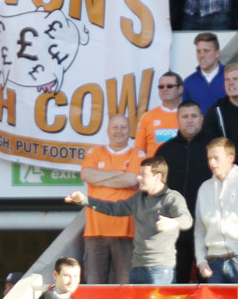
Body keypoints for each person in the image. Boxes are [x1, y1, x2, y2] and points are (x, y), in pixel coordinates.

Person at [66, 157, 194, 285]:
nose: (138, 178)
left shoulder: (171, 198)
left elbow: (186, 219)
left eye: (143, 174)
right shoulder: (138, 198)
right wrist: (84, 200)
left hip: (160, 269)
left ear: (158, 177)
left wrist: (174, 222)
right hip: (137, 267)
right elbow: (114, 208)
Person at [156, 101, 214, 284]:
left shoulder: (214, 148)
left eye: (194, 116)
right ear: (177, 120)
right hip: (174, 228)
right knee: (176, 284)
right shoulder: (165, 150)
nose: (190, 120)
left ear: (202, 119)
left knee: (208, 283)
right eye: (185, 116)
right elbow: (155, 189)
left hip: (206, 227)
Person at [79, 113, 141, 285]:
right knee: (94, 285)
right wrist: (122, 175)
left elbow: (132, 180)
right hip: (95, 232)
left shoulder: (137, 154)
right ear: (107, 130)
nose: (119, 131)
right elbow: (86, 174)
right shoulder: (95, 152)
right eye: (115, 127)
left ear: (130, 131)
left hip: (126, 232)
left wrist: (100, 178)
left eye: (123, 127)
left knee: (126, 287)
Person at [194, 137, 238, 284]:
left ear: (230, 158)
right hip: (213, 262)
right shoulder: (204, 188)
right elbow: (199, 229)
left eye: (216, 158)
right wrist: (201, 260)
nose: (211, 163)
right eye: (209, 158)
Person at [135, 72, 183, 158]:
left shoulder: (189, 116)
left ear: (180, 89)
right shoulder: (147, 117)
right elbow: (139, 149)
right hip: (155, 169)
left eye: (169, 86)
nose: (165, 89)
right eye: (161, 87)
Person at [182, 33, 225, 113]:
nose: (201, 55)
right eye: (198, 51)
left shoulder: (230, 76)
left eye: (206, 51)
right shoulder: (189, 82)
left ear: (217, 53)